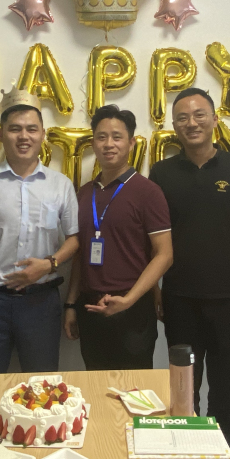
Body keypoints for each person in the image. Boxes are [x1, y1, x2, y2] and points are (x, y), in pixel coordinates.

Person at [149, 87, 230, 459]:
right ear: (174, 126)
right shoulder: (162, 173)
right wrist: (156, 289)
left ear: (215, 119)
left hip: (229, 300)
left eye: (199, 115)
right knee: (184, 397)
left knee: (223, 397)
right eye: (182, 117)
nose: (192, 123)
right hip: (179, 300)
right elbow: (154, 238)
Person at [0, 89, 79, 374]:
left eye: (32, 129)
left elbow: (74, 238)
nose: (24, 136)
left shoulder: (60, 184)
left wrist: (49, 264)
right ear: (0, 134)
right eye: (15, 129)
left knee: (43, 383)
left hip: (41, 302)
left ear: (42, 134)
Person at [63, 105, 173, 370]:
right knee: (95, 386)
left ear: (131, 143)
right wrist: (71, 304)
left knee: (134, 389)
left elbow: (164, 254)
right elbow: (80, 255)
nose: (108, 144)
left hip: (132, 308)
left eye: (117, 137)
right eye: (101, 137)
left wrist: (129, 300)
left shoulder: (148, 192)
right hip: (90, 307)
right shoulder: (84, 193)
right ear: (93, 143)